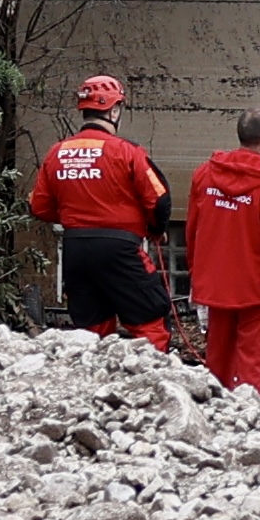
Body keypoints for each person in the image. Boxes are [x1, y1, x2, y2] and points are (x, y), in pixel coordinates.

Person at [34, 76, 174, 347]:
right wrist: (156, 231)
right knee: (151, 322)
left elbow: (39, 206)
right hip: (120, 251)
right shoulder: (126, 152)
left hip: (75, 251)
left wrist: (77, 217)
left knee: (90, 333)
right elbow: (159, 199)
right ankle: (150, 385)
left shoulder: (57, 152)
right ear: (113, 111)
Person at [181, 111, 260, 395]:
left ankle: (214, 427)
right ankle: (248, 431)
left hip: (216, 289)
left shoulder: (206, 173)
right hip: (257, 294)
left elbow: (192, 232)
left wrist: (198, 283)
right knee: (251, 377)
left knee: (217, 371)